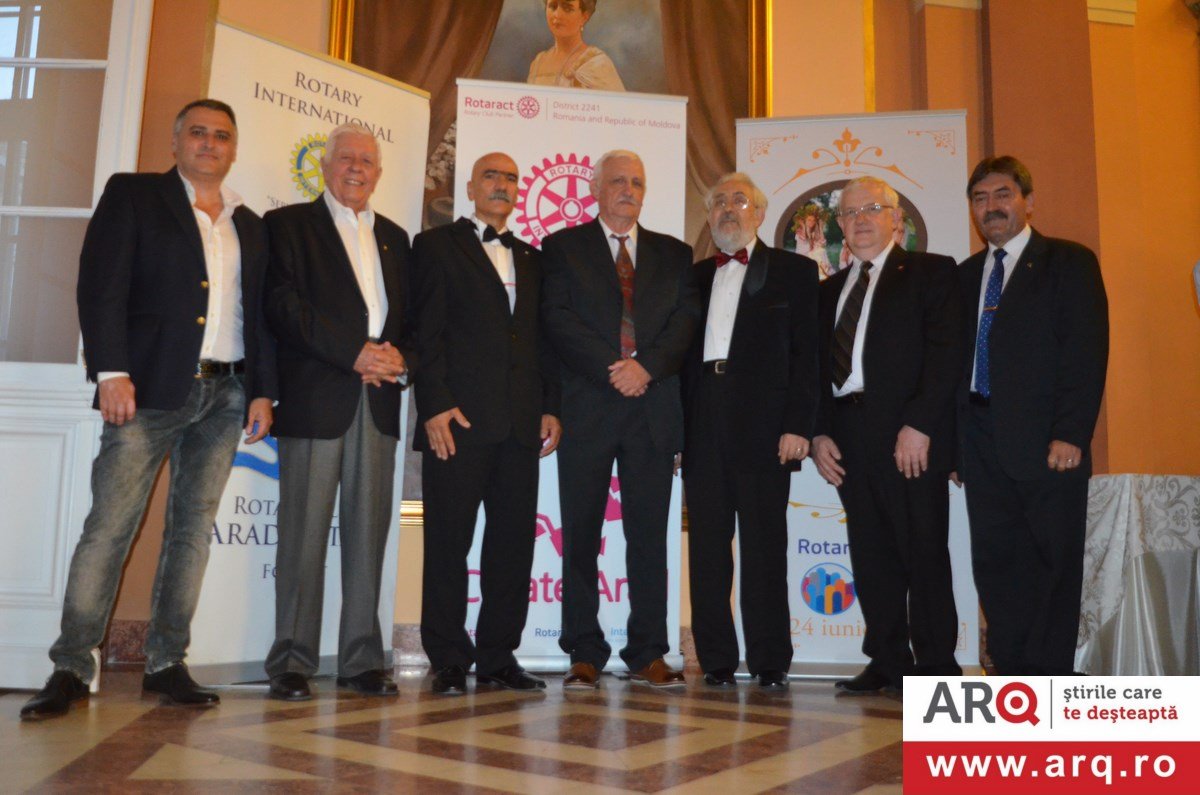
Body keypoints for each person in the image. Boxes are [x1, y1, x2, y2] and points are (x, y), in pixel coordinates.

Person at [21, 99, 276, 720]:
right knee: (110, 528)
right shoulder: (134, 195)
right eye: (198, 133)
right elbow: (99, 284)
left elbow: (259, 316)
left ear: (234, 148)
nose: (210, 143)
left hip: (227, 396)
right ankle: (70, 666)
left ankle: (166, 662)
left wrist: (262, 390)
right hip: (145, 391)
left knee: (192, 532)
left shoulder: (249, 221)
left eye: (222, 136)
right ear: (176, 141)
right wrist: (111, 371)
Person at [262, 123, 414, 701]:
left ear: (378, 173)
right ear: (325, 167)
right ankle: (292, 661)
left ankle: (361, 659)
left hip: (378, 401)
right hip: (315, 398)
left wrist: (399, 359)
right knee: (301, 536)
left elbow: (413, 319)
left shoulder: (396, 238)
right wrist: (353, 353)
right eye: (346, 158)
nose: (356, 167)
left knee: (368, 536)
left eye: (367, 160)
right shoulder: (287, 226)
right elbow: (283, 307)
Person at [542, 149, 699, 689]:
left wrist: (645, 368)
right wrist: (616, 369)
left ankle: (648, 651)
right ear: (595, 189)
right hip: (587, 408)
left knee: (649, 538)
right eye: (617, 181)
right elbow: (557, 318)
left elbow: (685, 322)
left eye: (636, 182)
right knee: (580, 536)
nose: (628, 190)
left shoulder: (675, 254)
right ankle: (583, 650)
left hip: (652, 409)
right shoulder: (563, 248)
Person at [412, 152, 562, 695]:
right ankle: (448, 658)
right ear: (471, 188)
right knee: (447, 544)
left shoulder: (533, 258)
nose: (502, 184)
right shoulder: (434, 246)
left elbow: (542, 341)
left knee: (512, 547)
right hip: (456, 423)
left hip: (520, 426)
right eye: (492, 176)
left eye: (511, 178)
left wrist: (550, 406)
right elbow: (423, 332)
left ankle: (499, 656)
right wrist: (434, 404)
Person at [810, 176, 964, 695]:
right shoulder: (828, 290)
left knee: (923, 548)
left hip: (908, 435)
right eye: (850, 213)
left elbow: (946, 355)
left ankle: (937, 663)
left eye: (872, 209)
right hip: (847, 434)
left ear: (896, 219)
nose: (860, 220)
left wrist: (920, 424)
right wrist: (819, 434)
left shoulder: (931, 272)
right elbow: (814, 371)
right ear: (840, 225)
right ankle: (887, 660)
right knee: (871, 552)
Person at [957, 155, 1108, 675]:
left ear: (1028, 201)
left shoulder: (1069, 262)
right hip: (979, 442)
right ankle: (1011, 673)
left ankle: (1050, 678)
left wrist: (1071, 433)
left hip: (1048, 447)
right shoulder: (966, 276)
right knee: (995, 564)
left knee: (1051, 566)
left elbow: (1085, 353)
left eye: (1003, 194)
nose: (991, 207)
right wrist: (956, 448)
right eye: (980, 199)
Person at [682, 173, 819, 689]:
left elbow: (807, 356)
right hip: (702, 421)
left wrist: (798, 426)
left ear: (759, 213)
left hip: (766, 426)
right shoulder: (694, 277)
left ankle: (769, 660)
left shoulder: (794, 272)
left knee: (764, 547)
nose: (727, 209)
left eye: (739, 200)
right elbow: (677, 360)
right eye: (718, 202)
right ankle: (716, 659)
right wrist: (677, 435)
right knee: (707, 549)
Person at [527, 0, 625, 91]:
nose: (557, 15)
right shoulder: (538, 62)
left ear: (584, 17)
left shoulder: (597, 63)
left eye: (567, 9)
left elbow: (617, 102)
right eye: (553, 7)